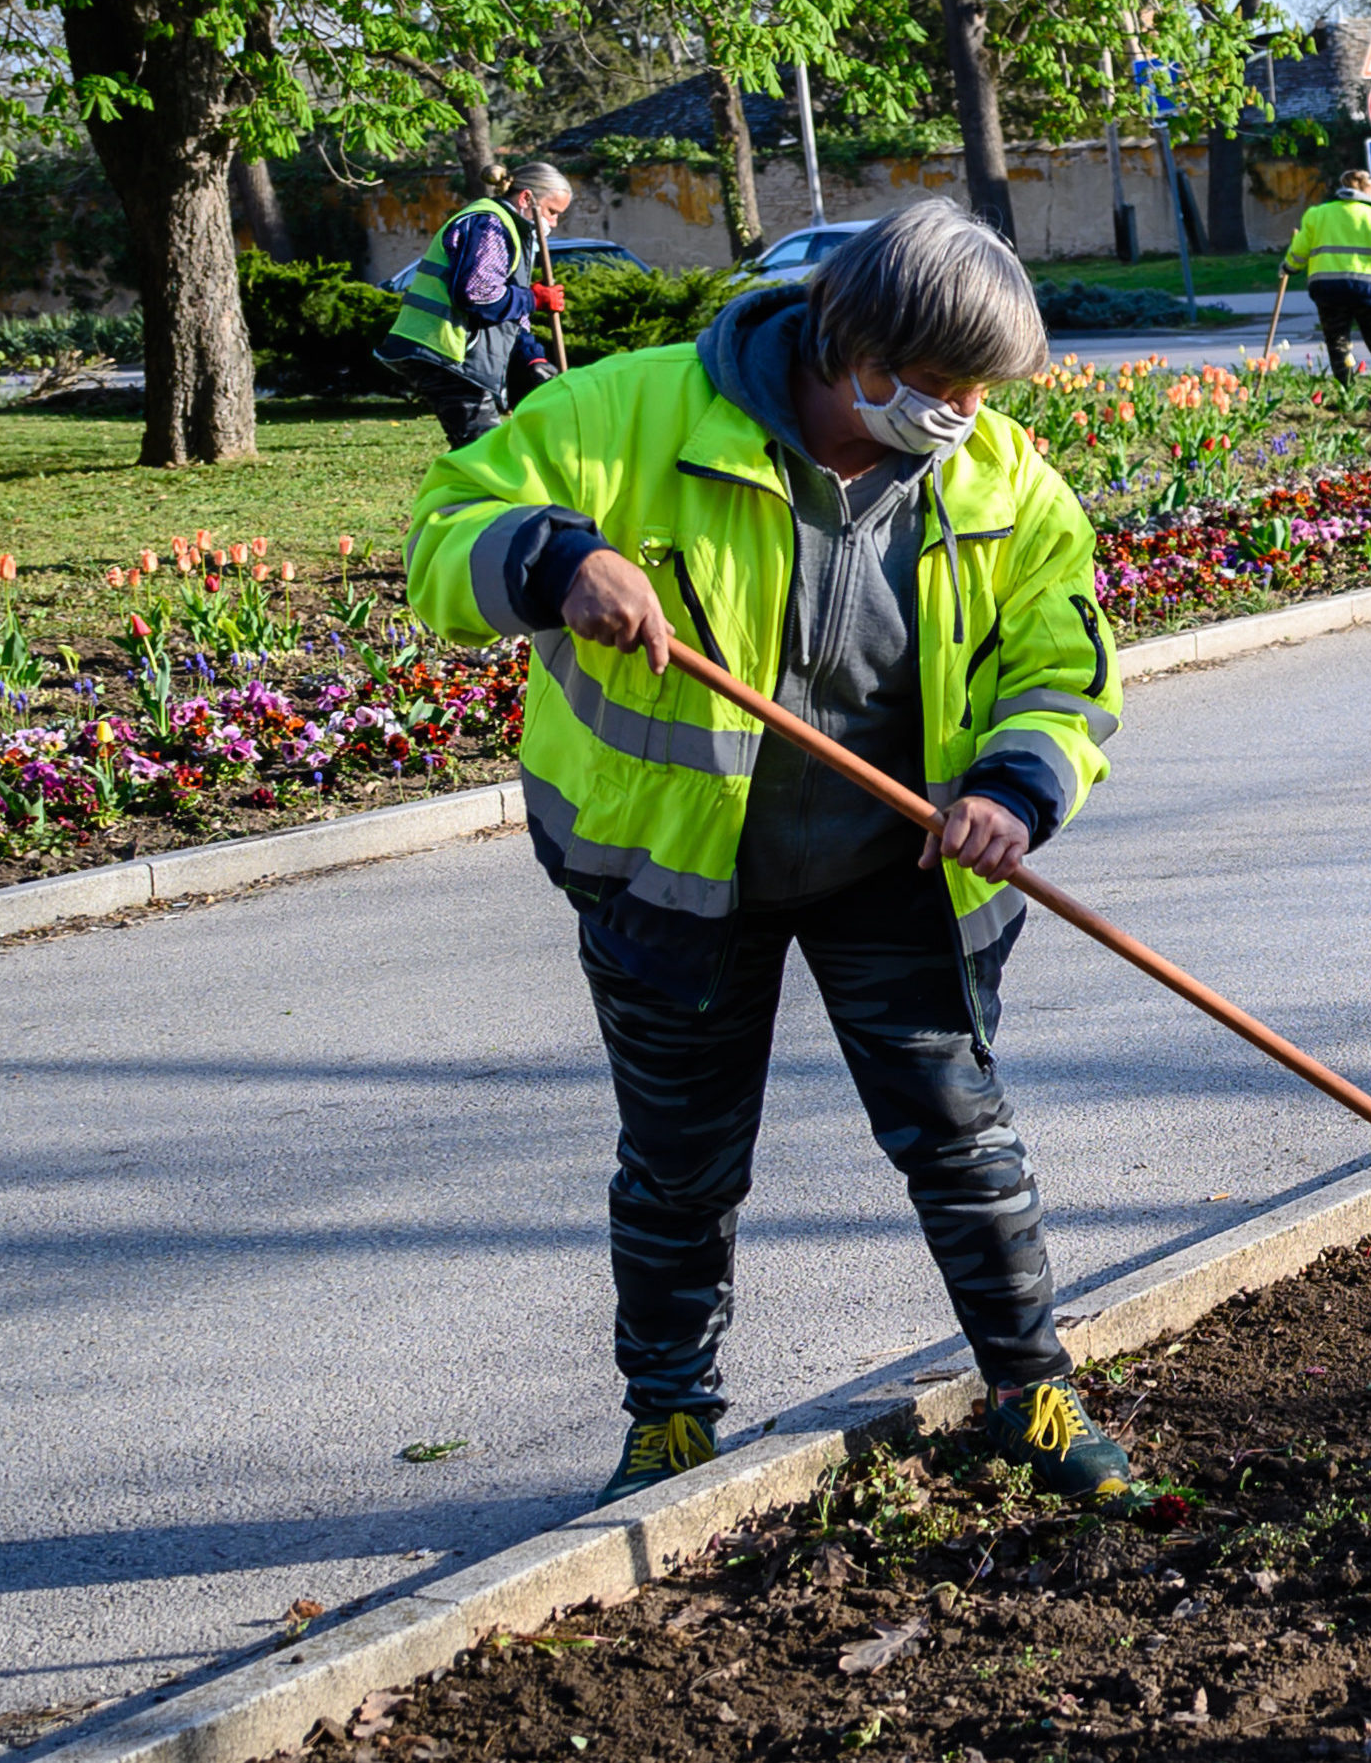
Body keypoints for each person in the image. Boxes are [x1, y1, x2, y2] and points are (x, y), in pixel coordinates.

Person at [405, 198, 1132, 1507]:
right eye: (939, 382)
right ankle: (672, 1418)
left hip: (899, 868)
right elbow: (442, 545)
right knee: (680, 1164)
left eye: (980, 389)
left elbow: (1062, 654)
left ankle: (1029, 1390)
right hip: (667, 874)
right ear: (851, 342)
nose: (962, 411)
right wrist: (556, 557)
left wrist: (1016, 787)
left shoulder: (997, 477)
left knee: (963, 1138)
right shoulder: (623, 418)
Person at [382, 161, 573, 447]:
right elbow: (478, 294)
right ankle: (474, 491)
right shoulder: (491, 225)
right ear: (526, 199)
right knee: (482, 448)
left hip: (444, 349)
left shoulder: (510, 229)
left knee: (478, 448)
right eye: (552, 212)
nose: (555, 223)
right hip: (442, 349)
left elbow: (510, 310)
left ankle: (469, 489)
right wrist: (533, 298)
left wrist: (532, 356)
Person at [1280, 168, 1371, 392]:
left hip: (1329, 291)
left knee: (1337, 343)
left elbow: (1300, 250)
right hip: (1370, 292)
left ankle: (1348, 394)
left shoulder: (1318, 214)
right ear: (1368, 188)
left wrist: (1288, 268)